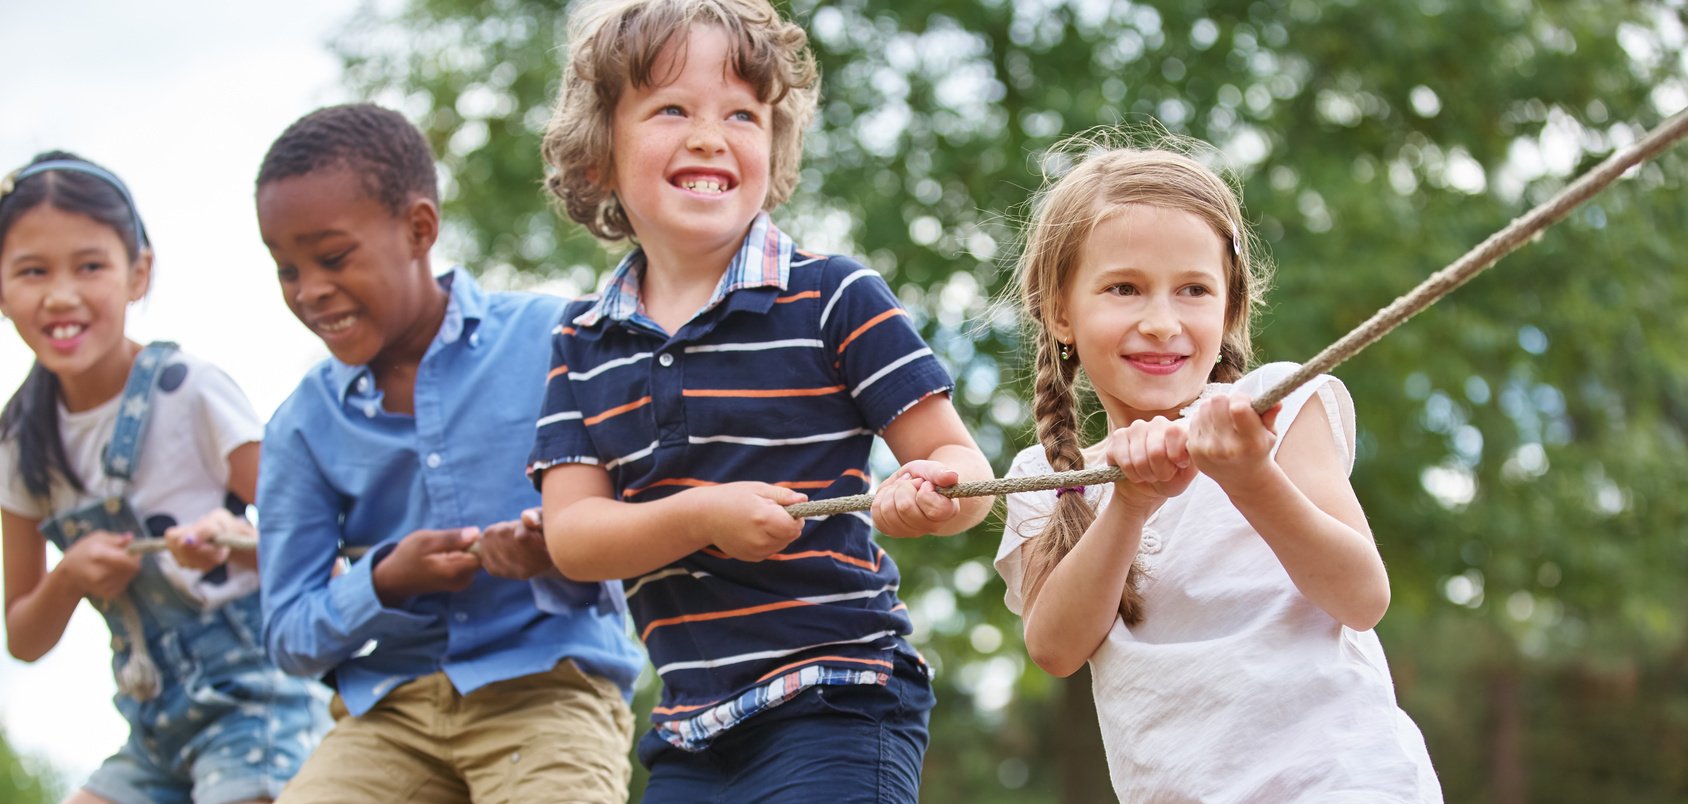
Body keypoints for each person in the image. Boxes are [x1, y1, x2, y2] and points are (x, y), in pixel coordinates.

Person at [530, 0, 995, 799]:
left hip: (840, 694)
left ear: (773, 149)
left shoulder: (834, 296)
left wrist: (928, 496)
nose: (710, 135)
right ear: (600, 152)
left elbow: (960, 467)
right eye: (672, 108)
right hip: (689, 726)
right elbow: (573, 536)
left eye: (741, 113)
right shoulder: (582, 341)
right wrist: (702, 518)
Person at [994, 139, 1442, 801]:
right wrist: (1130, 503)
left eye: (1193, 290)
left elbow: (1361, 597)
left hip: (1343, 782)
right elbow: (1056, 649)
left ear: (1228, 309)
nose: (1160, 321)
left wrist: (1249, 478)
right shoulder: (1047, 478)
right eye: (1125, 288)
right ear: (1062, 311)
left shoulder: (1276, 407)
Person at [252, 104, 644, 804]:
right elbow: (288, 632)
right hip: (390, 714)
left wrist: (558, 549)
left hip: (548, 688)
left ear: (418, 230)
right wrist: (383, 582)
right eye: (286, 270)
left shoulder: (560, 341)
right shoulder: (303, 428)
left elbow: (650, 518)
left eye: (334, 258)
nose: (310, 291)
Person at [0, 152, 329, 804]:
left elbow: (321, 549)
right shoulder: (21, 445)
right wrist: (68, 578)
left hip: (257, 701)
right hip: (151, 725)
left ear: (137, 273)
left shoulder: (190, 392)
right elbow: (25, 637)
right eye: (32, 271)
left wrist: (234, 539)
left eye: (89, 266)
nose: (61, 294)